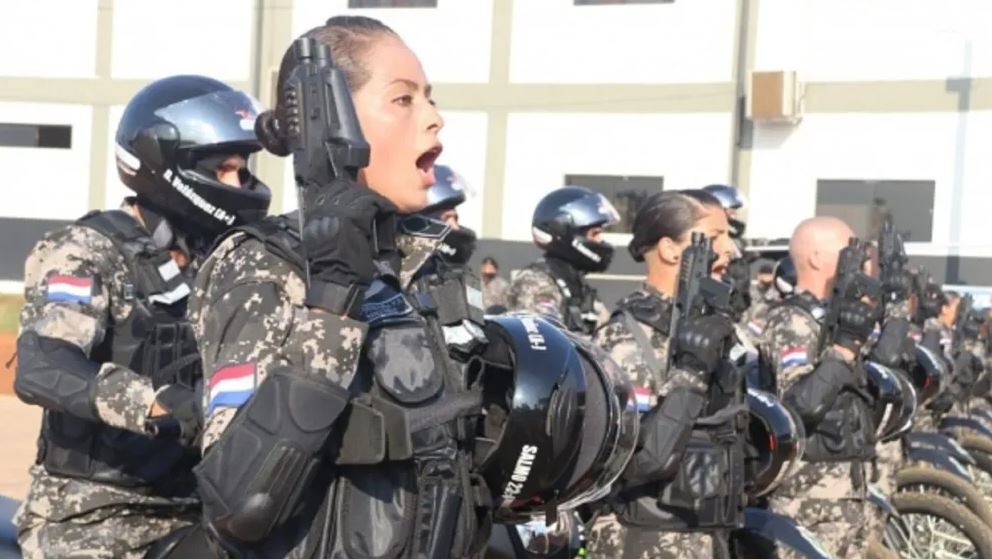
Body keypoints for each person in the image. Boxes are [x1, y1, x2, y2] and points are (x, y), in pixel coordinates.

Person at [188, 16, 632, 558]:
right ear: (332, 120)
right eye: (404, 100)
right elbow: (240, 505)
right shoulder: (265, 265)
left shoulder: (432, 269)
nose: (435, 120)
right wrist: (332, 300)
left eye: (430, 99)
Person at [12, 75, 271, 558]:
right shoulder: (88, 253)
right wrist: (164, 407)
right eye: (225, 170)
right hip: (95, 521)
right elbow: (44, 366)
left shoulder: (226, 262)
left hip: (205, 510)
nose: (241, 184)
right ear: (167, 166)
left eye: (244, 168)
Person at [587, 190, 742, 559]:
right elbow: (636, 461)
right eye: (716, 237)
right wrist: (690, 373)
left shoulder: (713, 331)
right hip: (642, 541)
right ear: (671, 249)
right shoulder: (626, 338)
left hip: (706, 536)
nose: (731, 251)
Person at [759, 217, 883, 557]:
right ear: (815, 257)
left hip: (848, 493)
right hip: (808, 500)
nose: (857, 264)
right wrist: (842, 351)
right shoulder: (792, 321)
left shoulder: (832, 320)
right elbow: (799, 406)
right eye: (849, 252)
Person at [506, 186, 618, 335]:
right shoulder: (535, 283)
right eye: (595, 234)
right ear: (565, 231)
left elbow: (605, 340)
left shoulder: (579, 287)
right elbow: (544, 345)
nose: (600, 241)